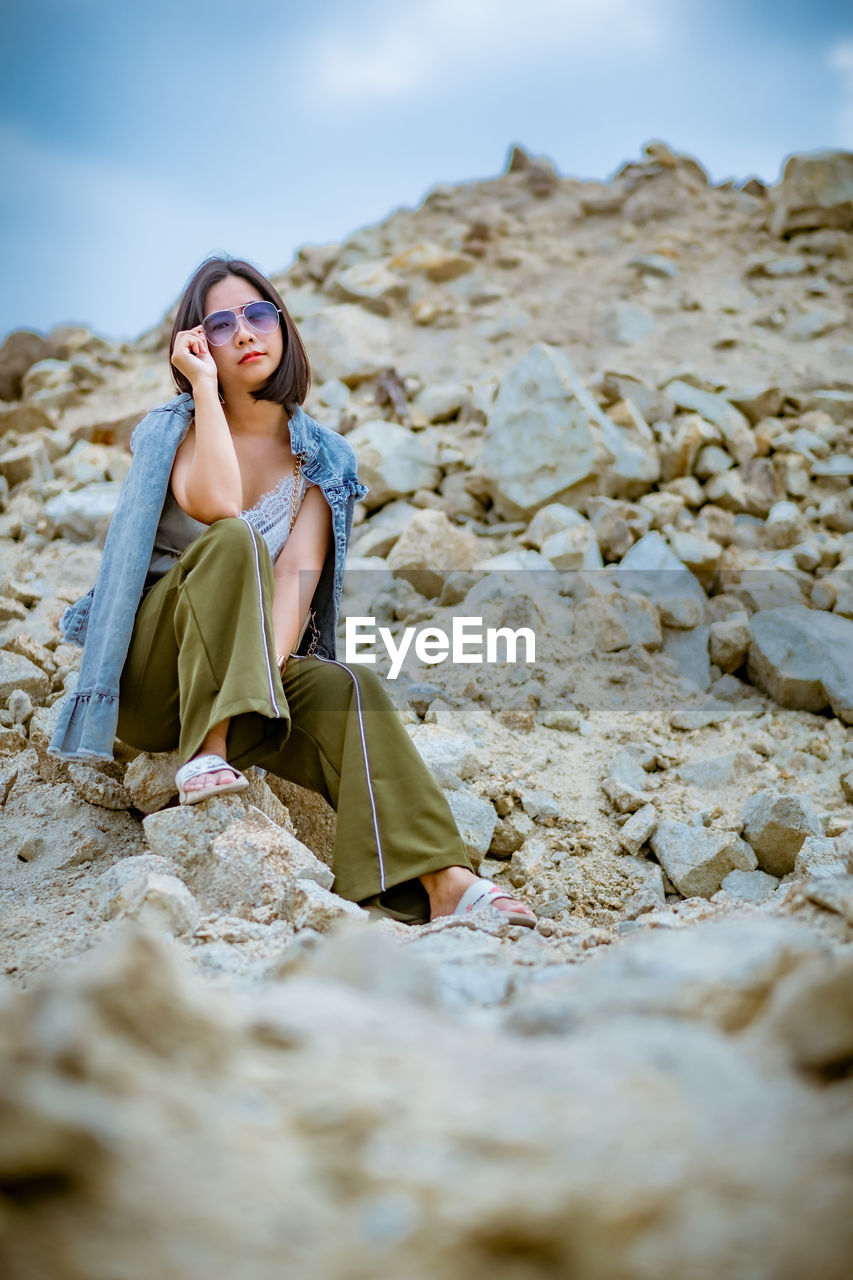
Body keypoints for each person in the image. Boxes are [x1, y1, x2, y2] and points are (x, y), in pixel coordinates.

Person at [51, 254, 537, 929]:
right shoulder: (176, 429)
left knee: (349, 687)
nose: (244, 333)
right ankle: (206, 750)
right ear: (197, 345)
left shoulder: (323, 458)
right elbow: (220, 505)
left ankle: (437, 883)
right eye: (219, 326)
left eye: (256, 314)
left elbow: (295, 581)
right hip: (154, 681)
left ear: (282, 325)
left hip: (240, 681)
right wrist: (201, 389)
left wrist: (271, 680)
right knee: (236, 539)